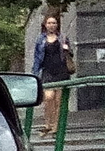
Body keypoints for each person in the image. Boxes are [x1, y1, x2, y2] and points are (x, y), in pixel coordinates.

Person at [31, 10, 75, 138]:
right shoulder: (40, 39)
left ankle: (55, 128)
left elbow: (70, 54)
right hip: (47, 72)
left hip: (61, 71)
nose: (52, 25)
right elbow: (37, 58)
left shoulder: (63, 38)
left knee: (59, 101)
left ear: (57, 25)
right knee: (48, 98)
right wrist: (35, 73)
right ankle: (48, 124)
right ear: (45, 24)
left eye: (54, 23)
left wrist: (67, 49)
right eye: (49, 23)